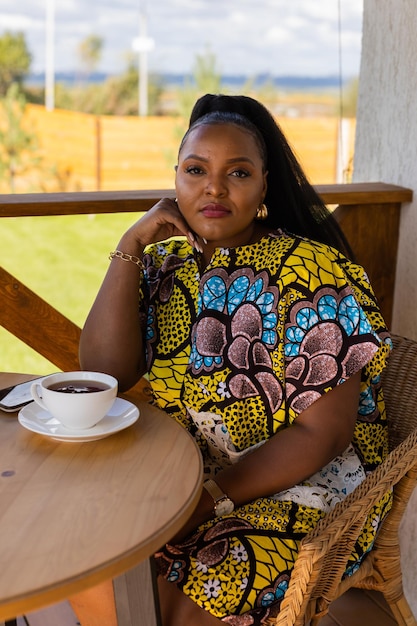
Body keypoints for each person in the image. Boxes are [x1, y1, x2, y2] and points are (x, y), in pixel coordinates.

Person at [77, 94, 392, 625]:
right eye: (196, 170)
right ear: (174, 180)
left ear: (264, 185)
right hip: (187, 472)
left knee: (195, 585)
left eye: (238, 172)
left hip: (313, 485)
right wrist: (130, 245)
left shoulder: (311, 271)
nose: (214, 188)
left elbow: (324, 436)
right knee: (87, 549)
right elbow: (106, 372)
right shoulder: (169, 262)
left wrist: (207, 502)